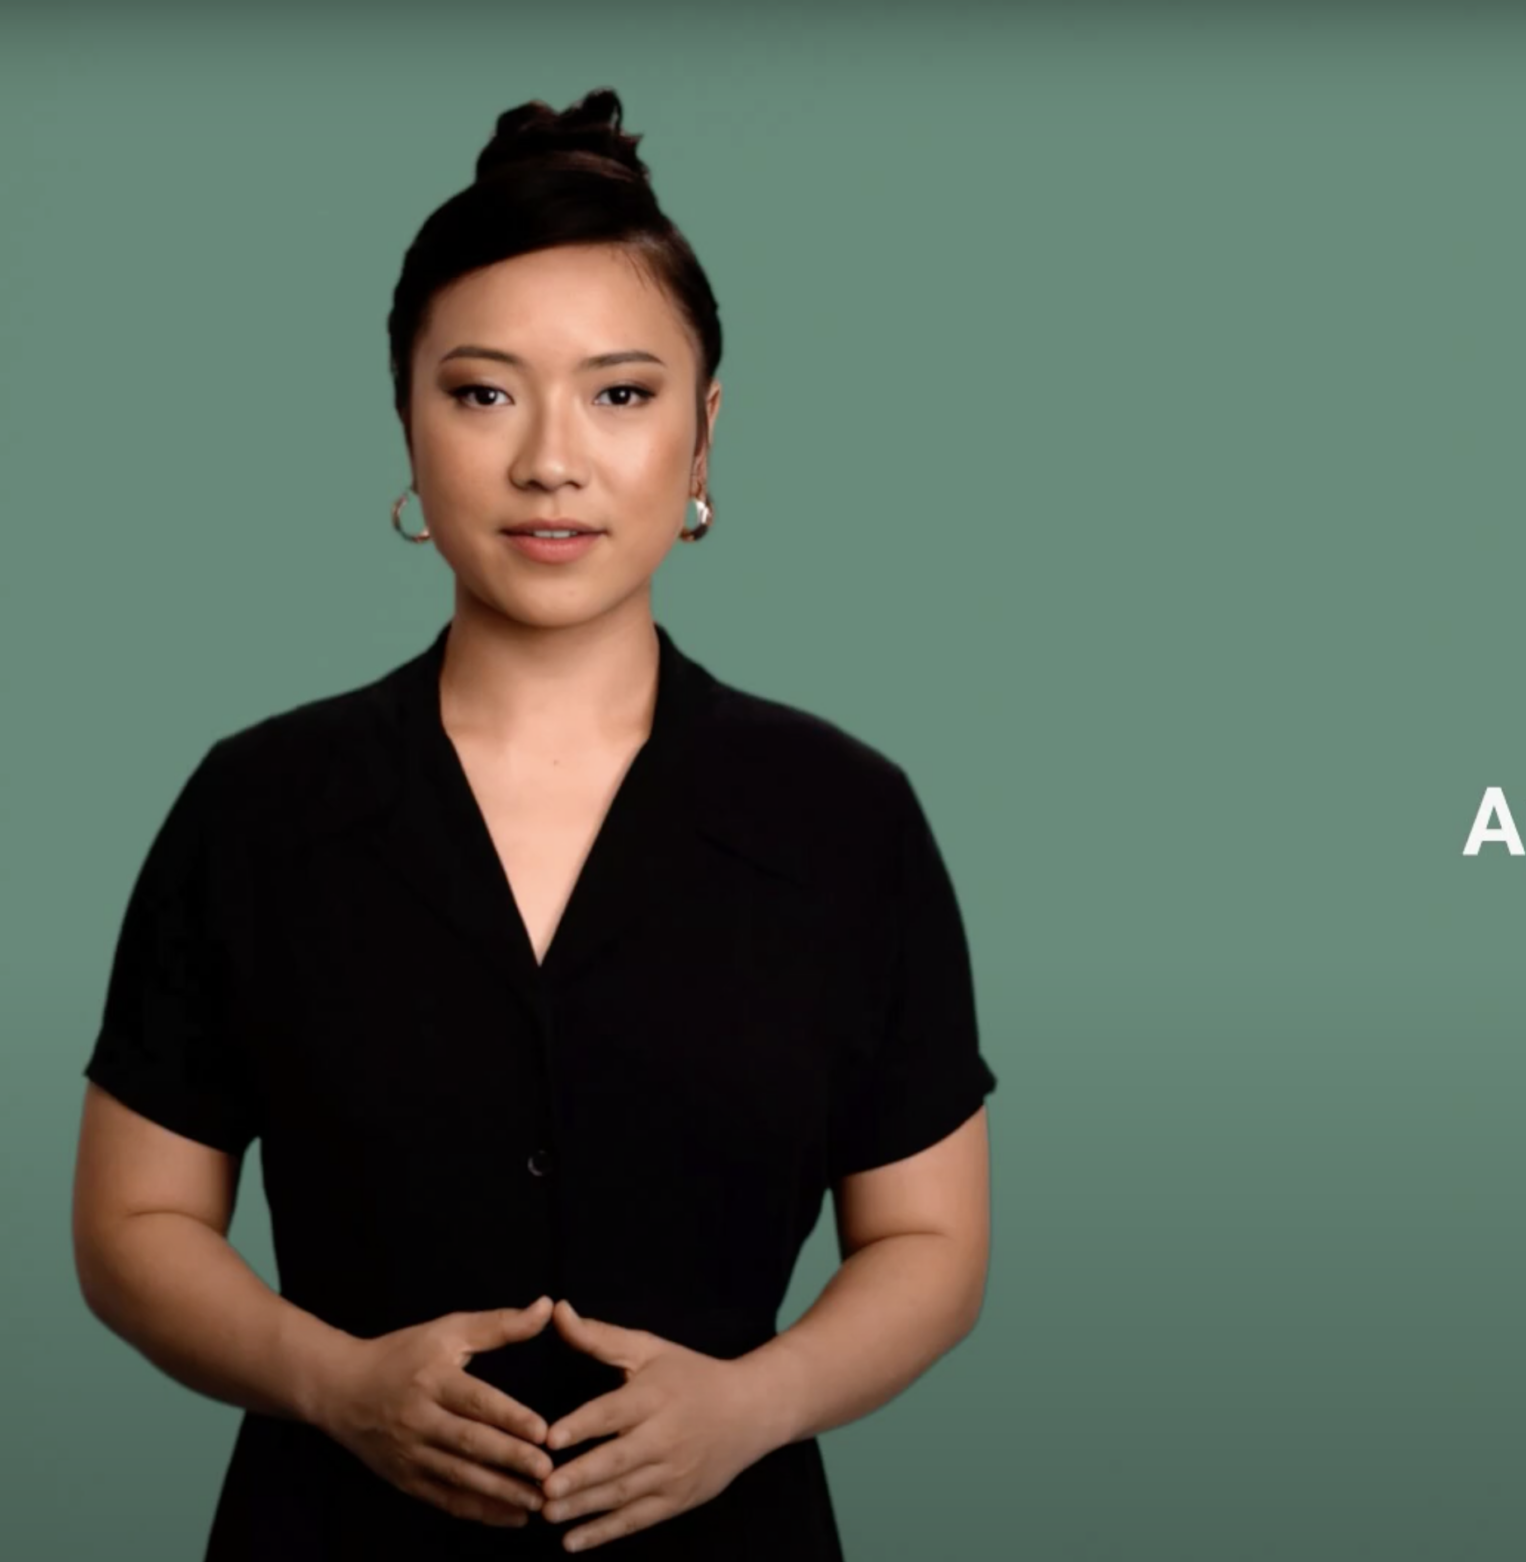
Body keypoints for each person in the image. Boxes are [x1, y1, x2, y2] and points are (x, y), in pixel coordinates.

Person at [67, 89, 998, 1559]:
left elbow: (932, 1243)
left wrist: (755, 1405)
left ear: (704, 437)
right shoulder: (258, 805)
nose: (551, 459)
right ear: (407, 422)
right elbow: (130, 1227)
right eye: (484, 391)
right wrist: (340, 1379)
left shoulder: (845, 817)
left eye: (621, 394)